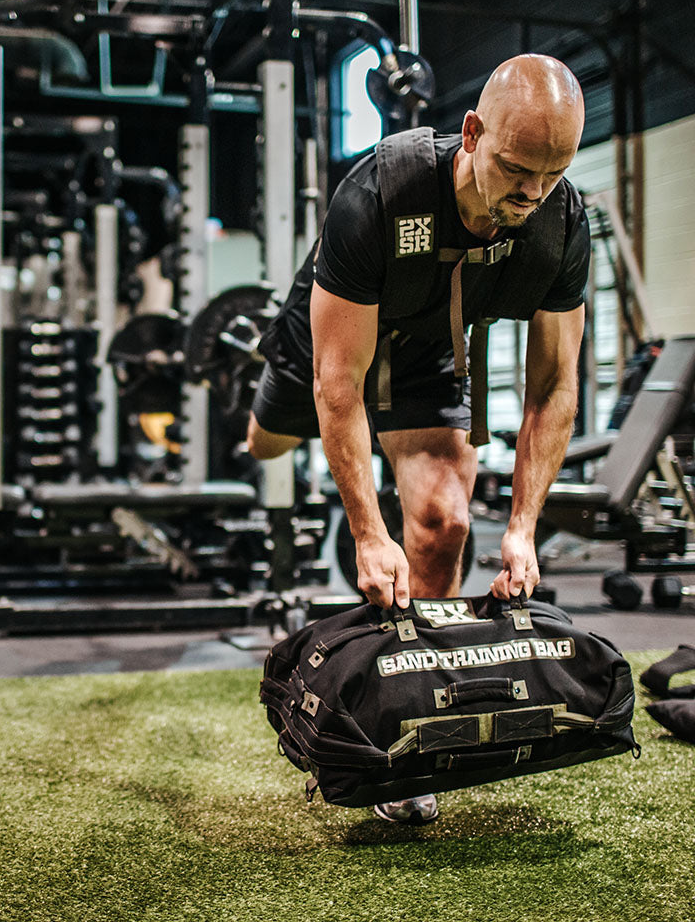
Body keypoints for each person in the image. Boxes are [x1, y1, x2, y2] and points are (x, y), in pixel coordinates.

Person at [247, 53, 590, 825]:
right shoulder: (376, 195)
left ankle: (411, 726)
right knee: (263, 444)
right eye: (514, 169)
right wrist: (367, 536)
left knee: (444, 524)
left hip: (434, 348)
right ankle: (257, 391)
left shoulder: (561, 222)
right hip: (332, 337)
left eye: (552, 173)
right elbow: (340, 387)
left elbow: (553, 386)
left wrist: (528, 529)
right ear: (471, 133)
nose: (531, 193)